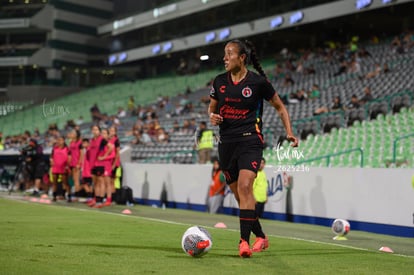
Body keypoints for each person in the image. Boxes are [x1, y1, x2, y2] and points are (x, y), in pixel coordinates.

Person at [209, 39, 299, 257]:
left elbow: (280, 107)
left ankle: (243, 242)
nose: (225, 58)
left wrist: (289, 132)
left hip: (250, 141)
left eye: (229, 53)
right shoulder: (219, 81)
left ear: (242, 58)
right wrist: (212, 117)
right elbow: (212, 109)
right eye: (224, 54)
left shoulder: (258, 83)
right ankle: (261, 236)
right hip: (226, 144)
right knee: (241, 198)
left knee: (246, 187)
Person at [50, 136, 70, 202]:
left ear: (64, 141)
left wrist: (67, 165)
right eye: (58, 140)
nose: (59, 141)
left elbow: (69, 158)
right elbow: (51, 157)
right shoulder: (54, 149)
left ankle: (67, 196)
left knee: (65, 182)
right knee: (54, 182)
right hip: (55, 167)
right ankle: (54, 196)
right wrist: (51, 161)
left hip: (63, 167)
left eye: (61, 140)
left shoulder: (67, 149)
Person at [68, 129, 82, 199]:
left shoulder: (80, 143)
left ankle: (77, 196)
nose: (72, 134)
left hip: (77, 163)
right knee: (74, 179)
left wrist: (79, 163)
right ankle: (75, 193)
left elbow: (82, 154)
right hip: (72, 163)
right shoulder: (71, 142)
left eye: (73, 133)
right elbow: (70, 154)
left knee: (76, 180)